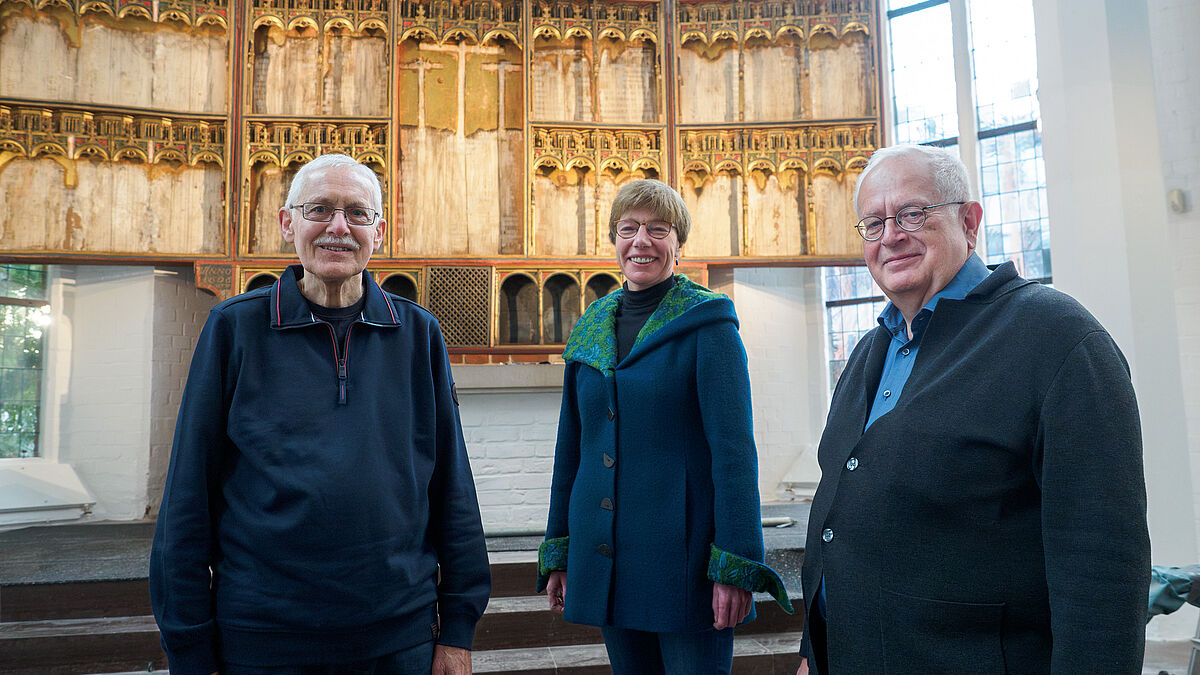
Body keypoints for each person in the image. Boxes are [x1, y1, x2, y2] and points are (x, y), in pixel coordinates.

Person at [798, 144, 1150, 674]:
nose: (891, 235)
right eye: (873, 223)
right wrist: (815, 650)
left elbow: (1102, 565)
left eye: (912, 213)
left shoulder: (1057, 337)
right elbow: (839, 506)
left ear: (970, 221)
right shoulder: (872, 351)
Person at [150, 154, 490, 675]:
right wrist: (190, 648)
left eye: (357, 212)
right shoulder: (234, 329)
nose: (339, 227)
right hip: (264, 638)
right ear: (288, 224)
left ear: (380, 229)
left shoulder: (418, 335)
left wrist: (459, 630)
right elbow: (187, 497)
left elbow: (453, 490)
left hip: (399, 636)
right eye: (320, 210)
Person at [538, 179, 792, 674]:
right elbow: (572, 451)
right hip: (607, 556)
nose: (641, 241)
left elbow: (734, 454)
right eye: (628, 229)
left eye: (658, 229)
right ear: (614, 240)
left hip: (683, 562)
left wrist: (734, 565)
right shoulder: (591, 330)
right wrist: (560, 548)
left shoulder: (707, 325)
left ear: (678, 243)